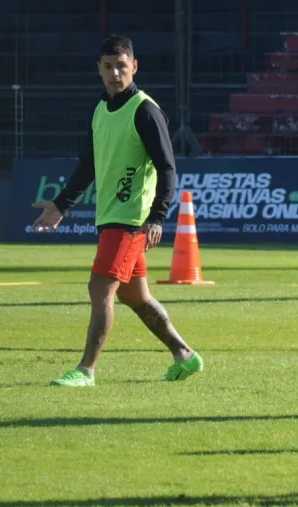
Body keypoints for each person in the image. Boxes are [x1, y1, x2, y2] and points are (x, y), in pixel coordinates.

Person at [32, 35, 204, 387]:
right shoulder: (100, 110)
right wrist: (61, 204)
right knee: (134, 295)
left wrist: (157, 217)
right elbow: (89, 165)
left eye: (121, 66)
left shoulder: (145, 111)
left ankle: (86, 370)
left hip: (131, 220)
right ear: (98, 68)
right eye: (108, 66)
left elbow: (167, 168)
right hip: (111, 216)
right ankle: (185, 355)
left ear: (134, 67)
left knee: (101, 288)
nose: (114, 73)